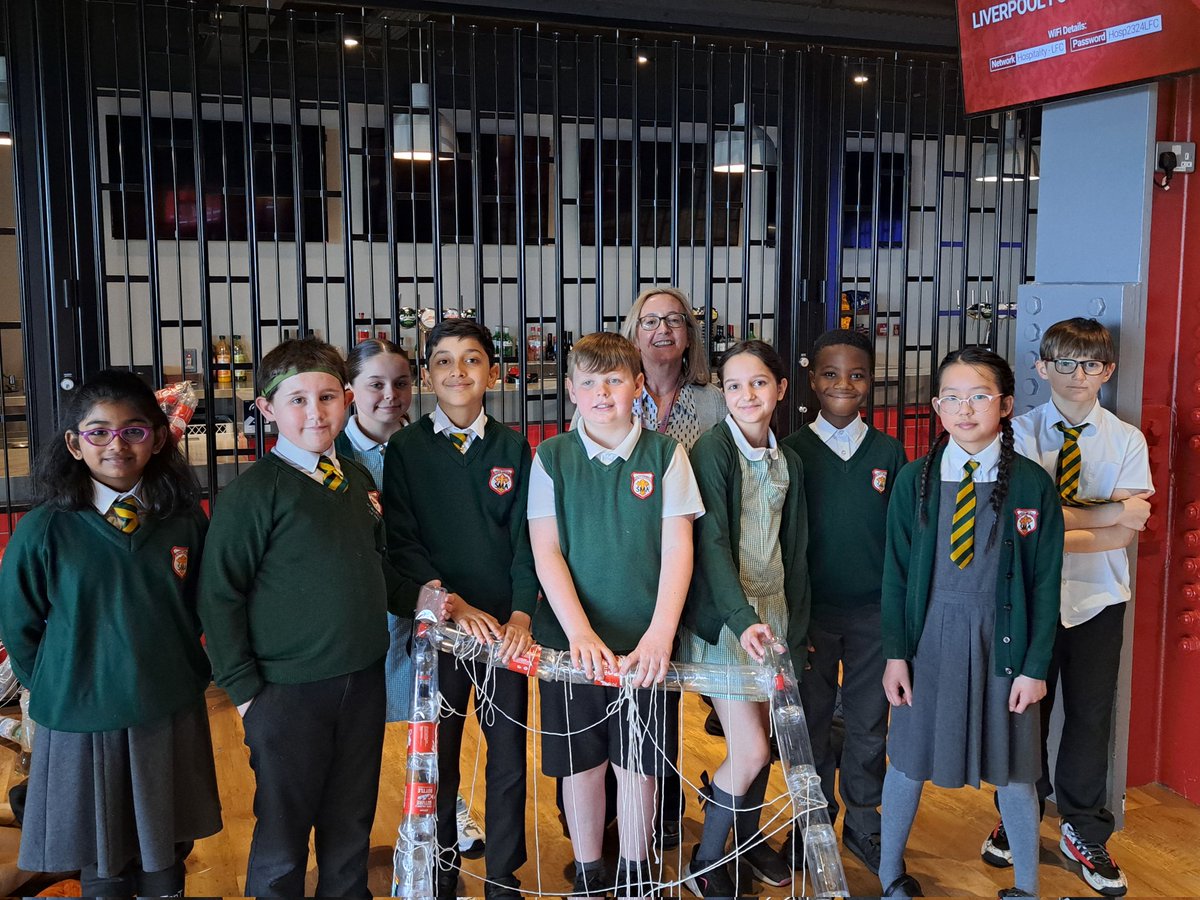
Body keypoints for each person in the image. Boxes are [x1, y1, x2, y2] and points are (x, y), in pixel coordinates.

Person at [0, 370, 221, 897]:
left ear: (160, 437)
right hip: (81, 713)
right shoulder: (45, 528)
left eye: (134, 431)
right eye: (98, 432)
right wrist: (59, 683)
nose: (116, 445)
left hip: (164, 705)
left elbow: (203, 608)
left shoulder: (183, 521)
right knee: (99, 846)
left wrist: (182, 669)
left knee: (166, 841)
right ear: (75, 444)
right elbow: (21, 624)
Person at [198, 337, 402, 897]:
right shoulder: (253, 495)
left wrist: (434, 599)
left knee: (351, 818)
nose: (316, 412)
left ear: (347, 400)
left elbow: (381, 569)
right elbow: (220, 597)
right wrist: (245, 694)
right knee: (284, 828)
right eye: (297, 400)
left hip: (361, 681)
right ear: (266, 409)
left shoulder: (358, 482)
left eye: (328, 397)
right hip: (285, 694)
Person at [879, 347, 1064, 898]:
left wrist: (1035, 667)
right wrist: (896, 652)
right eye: (953, 398)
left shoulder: (1031, 485)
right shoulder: (916, 480)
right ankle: (891, 876)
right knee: (907, 761)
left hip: (1002, 645)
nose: (966, 409)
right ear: (936, 407)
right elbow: (894, 573)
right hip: (929, 641)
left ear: (1005, 404)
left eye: (980, 396)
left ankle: (1027, 887)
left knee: (1015, 770)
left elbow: (1045, 584)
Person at [979, 318, 1152, 897]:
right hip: (1031, 597)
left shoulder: (1126, 440)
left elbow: (1124, 537)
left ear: (1109, 370)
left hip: (1100, 598)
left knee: (1090, 715)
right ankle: (1021, 810)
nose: (1080, 376)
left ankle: (1083, 826)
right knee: (1023, 710)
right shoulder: (1017, 434)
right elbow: (1018, 527)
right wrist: (1107, 512)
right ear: (1041, 366)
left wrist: (1061, 519)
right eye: (1066, 363)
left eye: (1093, 365)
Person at [528, 332, 704, 896]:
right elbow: (546, 550)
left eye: (613, 381)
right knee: (582, 762)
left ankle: (634, 866)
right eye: (589, 382)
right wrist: (577, 631)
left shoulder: (666, 455)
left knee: (639, 761)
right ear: (572, 392)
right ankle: (587, 869)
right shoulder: (550, 456)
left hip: (643, 644)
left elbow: (679, 548)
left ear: (637, 387)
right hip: (571, 646)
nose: (602, 392)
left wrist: (660, 634)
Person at [383, 319, 539, 900]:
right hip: (442, 632)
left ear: (492, 374)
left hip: (504, 636)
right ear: (426, 377)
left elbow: (529, 538)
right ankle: (443, 872)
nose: (458, 371)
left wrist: (522, 615)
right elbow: (402, 542)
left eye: (472, 360)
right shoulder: (406, 449)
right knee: (440, 758)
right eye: (444, 361)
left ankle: (503, 876)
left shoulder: (512, 446)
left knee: (507, 759)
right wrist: (453, 604)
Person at [336, 338, 487, 862]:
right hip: (356, 609)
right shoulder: (330, 450)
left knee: (429, 720)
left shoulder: (427, 444)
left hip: (423, 599)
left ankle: (440, 812)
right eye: (375, 383)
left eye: (401, 382)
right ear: (350, 389)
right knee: (357, 731)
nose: (389, 395)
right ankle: (349, 836)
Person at [678, 340, 809, 896]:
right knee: (752, 749)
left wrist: (795, 629)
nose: (745, 394)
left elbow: (794, 550)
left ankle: (748, 849)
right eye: (733, 385)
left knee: (761, 744)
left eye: (758, 382)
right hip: (730, 622)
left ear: (780, 389)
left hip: (773, 617)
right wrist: (738, 617)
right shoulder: (712, 450)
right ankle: (708, 862)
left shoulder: (789, 458)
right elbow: (710, 546)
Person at [782, 328, 907, 875]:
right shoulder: (792, 453)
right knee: (808, 724)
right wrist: (795, 619)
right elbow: (782, 546)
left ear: (870, 382)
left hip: (872, 616)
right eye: (831, 374)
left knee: (867, 723)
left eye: (857, 375)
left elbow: (903, 541)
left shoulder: (888, 452)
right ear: (812, 381)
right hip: (812, 616)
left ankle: (863, 822)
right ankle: (811, 824)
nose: (844, 384)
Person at [620, 285, 726, 452]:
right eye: (650, 322)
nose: (663, 329)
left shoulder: (713, 401)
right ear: (635, 339)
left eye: (674, 320)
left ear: (689, 336)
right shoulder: (608, 395)